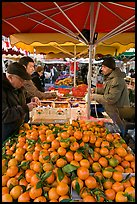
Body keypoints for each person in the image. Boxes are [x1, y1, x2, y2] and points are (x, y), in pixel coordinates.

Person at [90, 57, 135, 136]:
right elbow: (106, 90)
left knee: (118, 132)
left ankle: (124, 139)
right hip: (114, 109)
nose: (102, 69)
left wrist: (94, 96)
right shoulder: (111, 78)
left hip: (118, 111)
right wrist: (95, 90)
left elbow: (111, 99)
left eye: (104, 67)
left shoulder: (116, 80)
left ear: (110, 68)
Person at [2, 62, 39, 142]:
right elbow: (4, 115)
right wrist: (25, 108)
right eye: (21, 80)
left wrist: (32, 98)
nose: (22, 83)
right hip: (5, 135)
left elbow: (25, 95)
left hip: (17, 130)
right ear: (10, 77)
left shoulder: (18, 87)